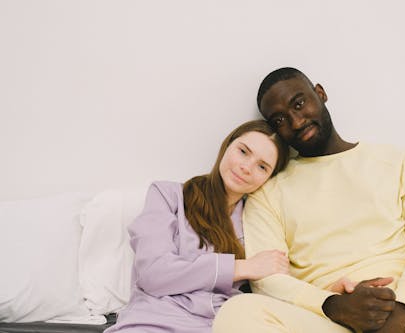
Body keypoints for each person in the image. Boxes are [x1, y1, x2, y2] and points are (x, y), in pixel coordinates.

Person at [212, 68, 405, 333]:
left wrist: (402, 310)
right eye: (279, 120)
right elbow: (267, 278)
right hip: (328, 315)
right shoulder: (268, 192)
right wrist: (334, 306)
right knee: (238, 312)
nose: (297, 122)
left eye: (299, 104)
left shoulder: (395, 161)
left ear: (320, 93)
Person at [104, 120, 291, 333]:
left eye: (262, 167)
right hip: (153, 323)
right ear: (227, 146)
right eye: (243, 151)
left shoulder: (257, 224)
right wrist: (241, 267)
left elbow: (281, 285)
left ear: (268, 179)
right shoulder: (168, 196)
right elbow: (153, 273)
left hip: (218, 326)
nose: (246, 167)